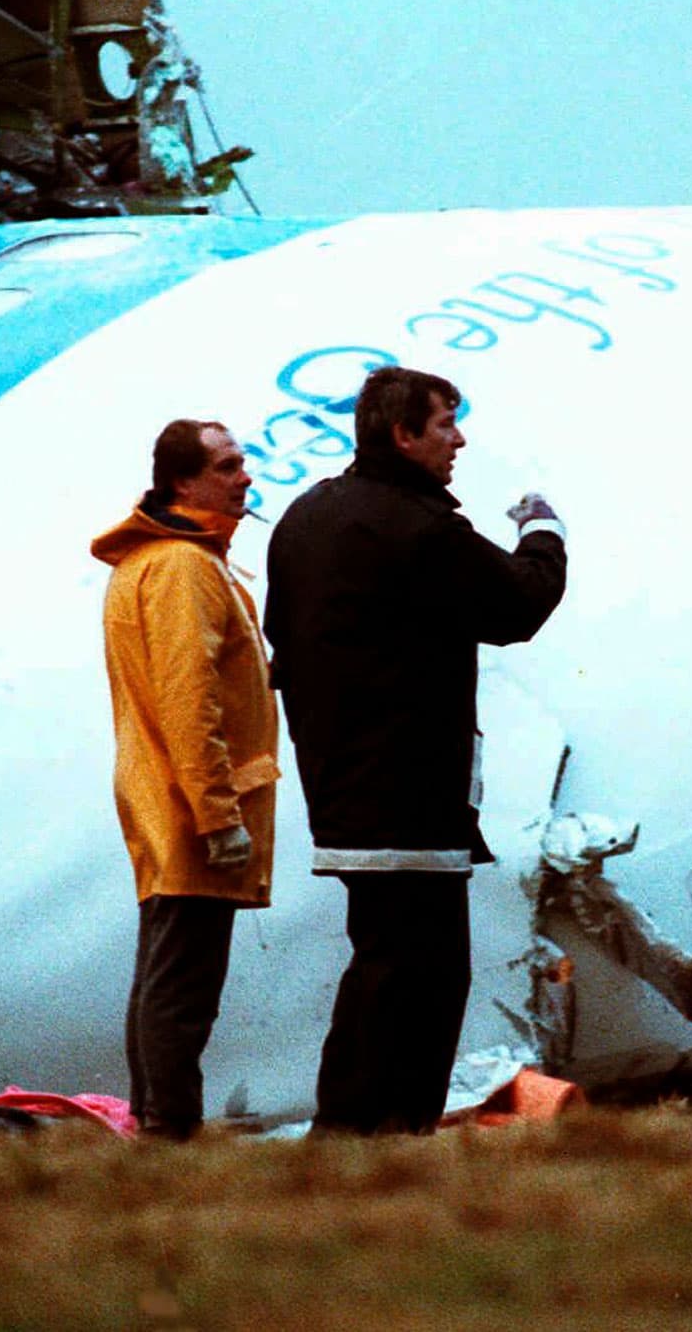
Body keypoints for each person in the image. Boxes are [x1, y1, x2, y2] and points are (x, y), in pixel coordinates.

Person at [265, 366, 567, 1135]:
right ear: (402, 434)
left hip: (340, 792)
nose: (459, 439)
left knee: (380, 965)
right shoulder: (420, 528)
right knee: (424, 976)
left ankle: (352, 1133)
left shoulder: (302, 521)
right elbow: (517, 603)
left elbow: (283, 642)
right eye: (445, 424)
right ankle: (387, 1134)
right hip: (411, 795)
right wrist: (545, 531)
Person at [91, 419, 280, 1139]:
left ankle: (155, 1121)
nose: (245, 478)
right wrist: (217, 813)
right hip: (191, 810)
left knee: (166, 974)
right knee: (183, 985)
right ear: (183, 482)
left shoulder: (151, 562)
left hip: (168, 800)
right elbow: (187, 694)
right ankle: (169, 1130)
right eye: (228, 466)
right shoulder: (184, 567)